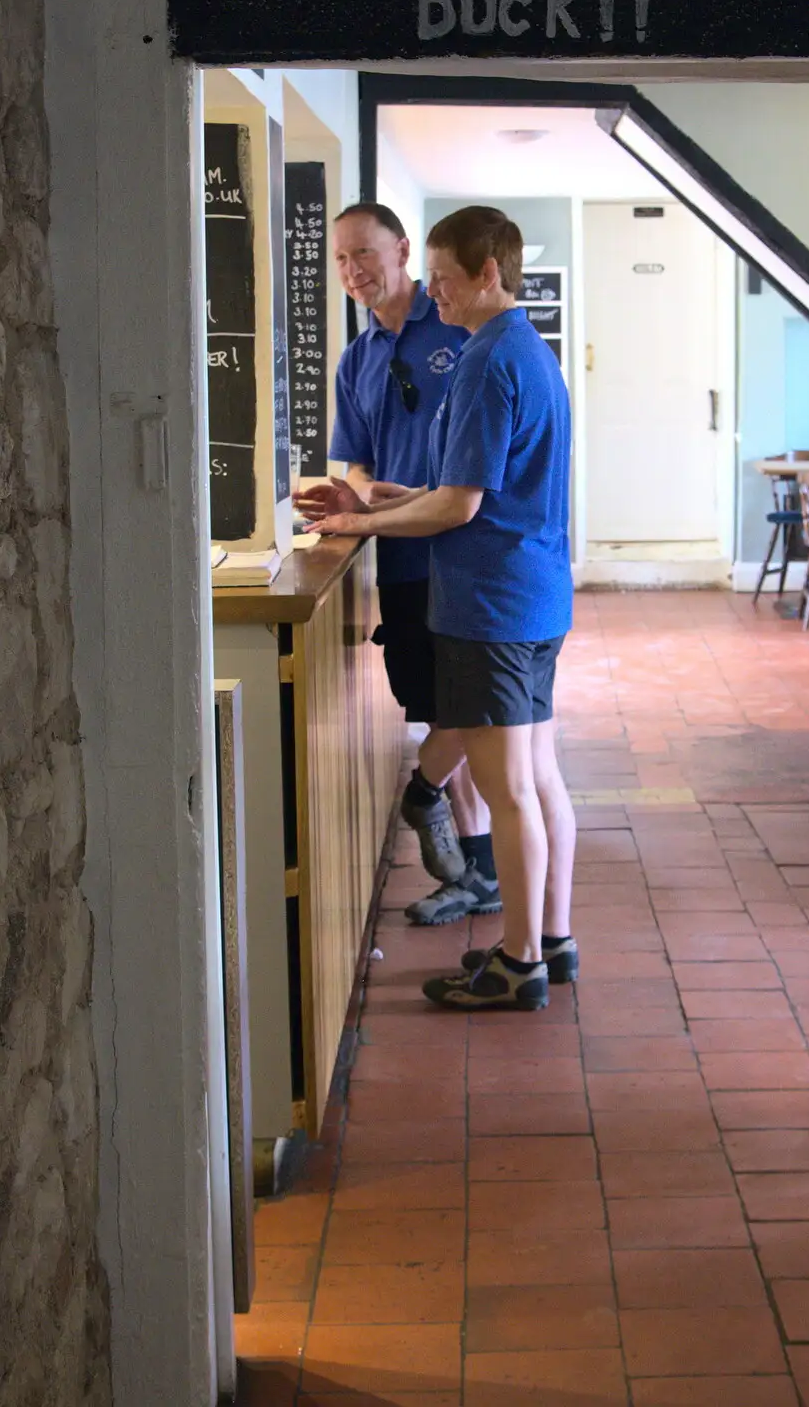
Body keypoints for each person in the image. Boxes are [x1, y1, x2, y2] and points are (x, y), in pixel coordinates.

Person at [305, 206, 578, 1012]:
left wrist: (361, 519)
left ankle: (519, 962)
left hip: (492, 603)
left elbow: (461, 508)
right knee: (539, 780)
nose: (437, 295)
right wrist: (394, 497)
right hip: (531, 591)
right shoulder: (525, 348)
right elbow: (469, 488)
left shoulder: (489, 360)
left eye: (447, 280)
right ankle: (552, 941)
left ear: (489, 272)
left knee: (510, 793)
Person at [294, 202, 500, 928]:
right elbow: (360, 459)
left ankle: (466, 847)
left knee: (471, 714)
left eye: (364, 253)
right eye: (342, 259)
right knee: (444, 713)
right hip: (405, 565)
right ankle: (481, 870)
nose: (354, 270)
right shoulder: (357, 359)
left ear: (403, 249)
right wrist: (350, 491)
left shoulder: (459, 325)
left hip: (467, 558)